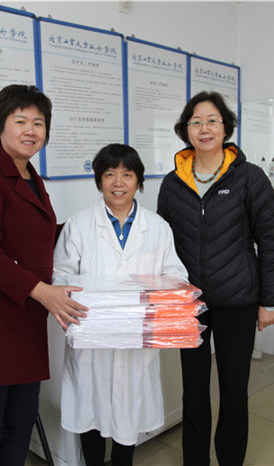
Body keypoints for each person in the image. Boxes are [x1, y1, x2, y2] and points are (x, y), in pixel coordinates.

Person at [0, 84, 88, 465]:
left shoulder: (30, 177)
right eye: (21, 121)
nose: (31, 130)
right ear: (1, 126)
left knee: (19, 425)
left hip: (25, 324)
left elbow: (34, 236)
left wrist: (86, 228)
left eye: (39, 123)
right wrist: (42, 291)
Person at [157, 91, 274, 465]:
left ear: (226, 127)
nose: (204, 128)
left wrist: (269, 300)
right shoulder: (172, 183)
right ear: (185, 130)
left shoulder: (250, 178)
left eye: (212, 120)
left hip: (238, 300)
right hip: (189, 305)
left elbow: (269, 240)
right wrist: (165, 300)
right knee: (194, 391)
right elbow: (162, 246)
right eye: (196, 122)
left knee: (234, 390)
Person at [53, 143, 188, 466]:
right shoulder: (79, 225)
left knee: (128, 416)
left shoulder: (157, 227)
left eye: (127, 175)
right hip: (91, 342)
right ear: (99, 180)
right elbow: (61, 276)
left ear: (138, 180)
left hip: (135, 342)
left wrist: (155, 297)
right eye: (109, 174)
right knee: (89, 412)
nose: (118, 183)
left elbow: (176, 276)